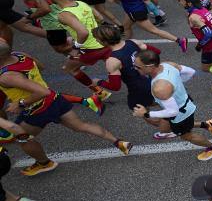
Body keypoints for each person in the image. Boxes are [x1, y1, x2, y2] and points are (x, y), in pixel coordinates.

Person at [0, 41, 129, 176]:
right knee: (81, 125)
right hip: (55, 100)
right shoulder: (20, 55)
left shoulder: (7, 77)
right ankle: (118, 142)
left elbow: (42, 92)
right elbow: (41, 67)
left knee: (22, 138)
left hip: (36, 110)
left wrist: (20, 103)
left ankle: (44, 163)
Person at [131, 49, 212, 160]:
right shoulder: (167, 64)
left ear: (150, 66)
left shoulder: (160, 88)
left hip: (180, 113)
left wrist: (146, 113)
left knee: (187, 136)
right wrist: (175, 84)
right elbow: (191, 72)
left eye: (138, 67)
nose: (135, 68)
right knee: (170, 127)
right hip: (184, 103)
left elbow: (173, 112)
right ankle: (207, 124)